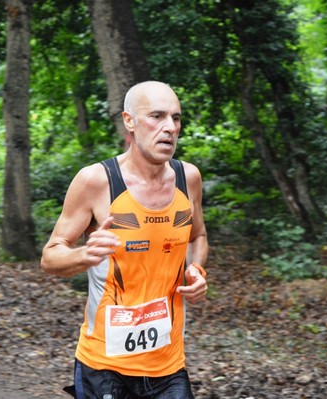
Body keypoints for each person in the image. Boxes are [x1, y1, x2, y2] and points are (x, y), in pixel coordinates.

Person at [41, 80, 208, 399]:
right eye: (157, 116)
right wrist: (84, 255)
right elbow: (50, 257)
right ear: (129, 121)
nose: (169, 127)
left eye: (176, 118)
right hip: (104, 365)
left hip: (168, 365)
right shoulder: (96, 181)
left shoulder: (189, 178)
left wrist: (197, 269)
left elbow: (197, 236)